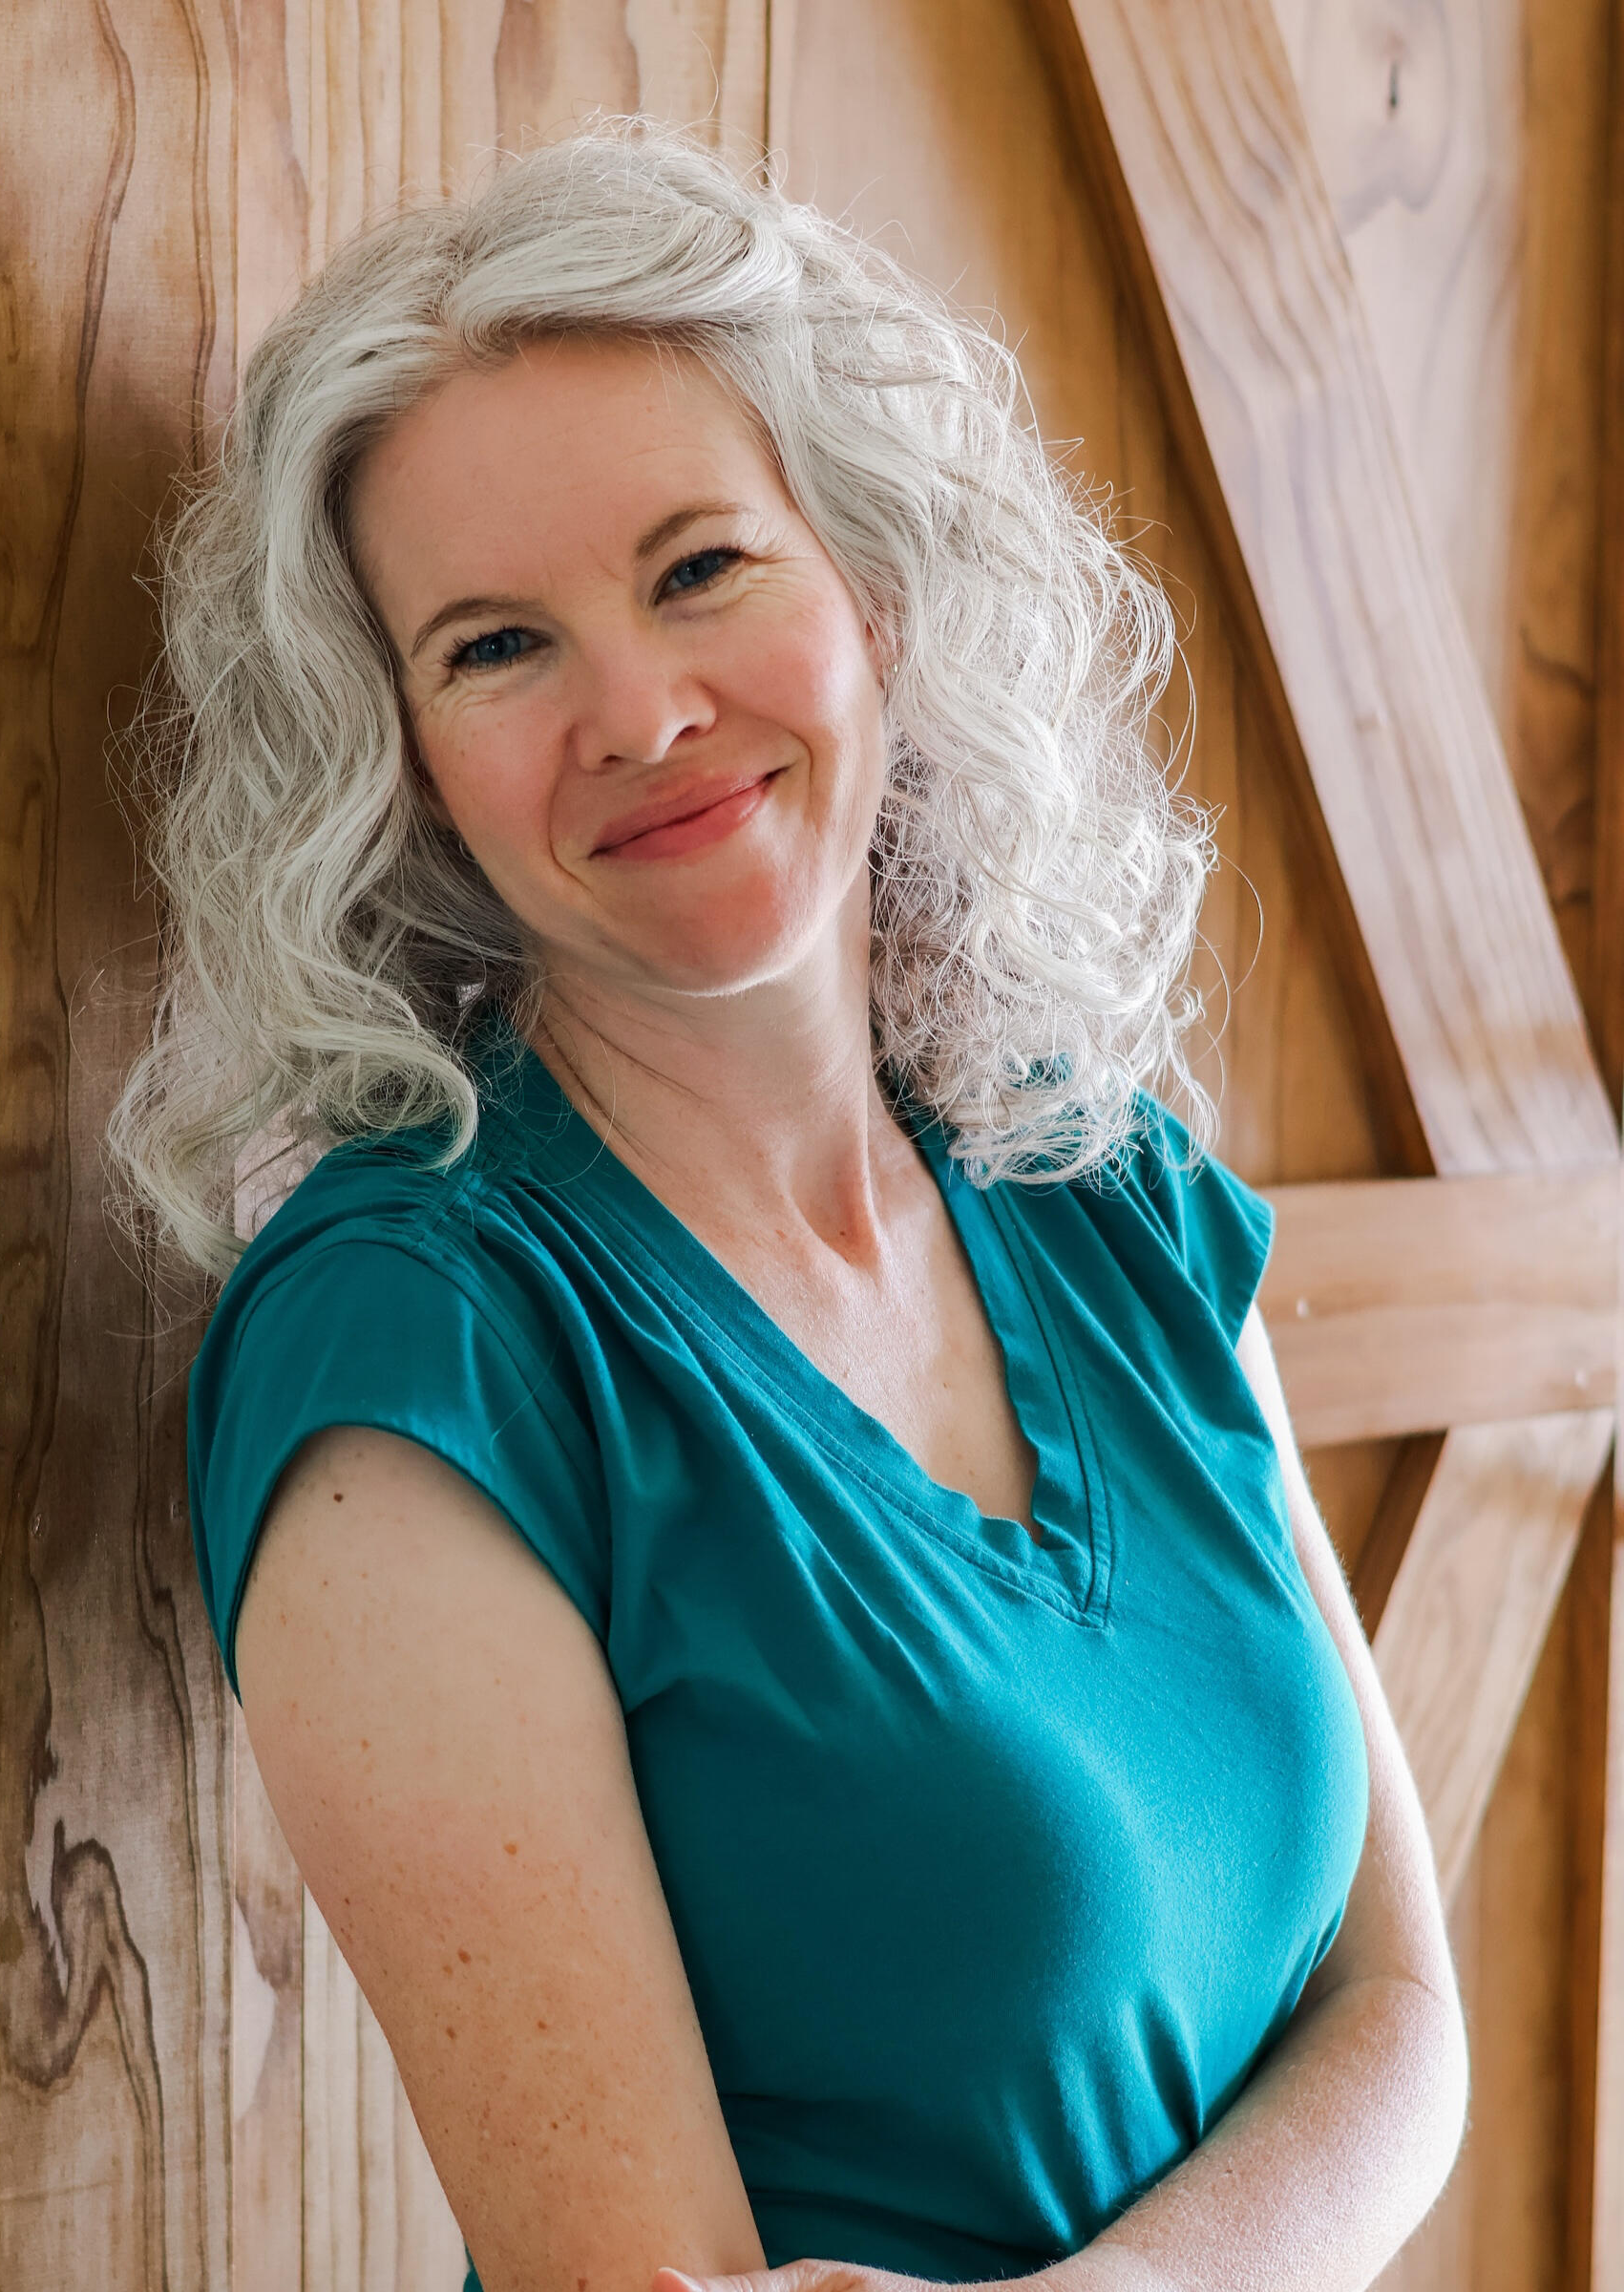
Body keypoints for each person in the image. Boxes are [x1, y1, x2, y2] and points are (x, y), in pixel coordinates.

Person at [108, 123, 1466, 2292]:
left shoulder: (1094, 1168)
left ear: (873, 586)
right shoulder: (417, 1350)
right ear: (403, 766)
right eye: (493, 646)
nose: (642, 713)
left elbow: (1399, 2018)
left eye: (700, 568)